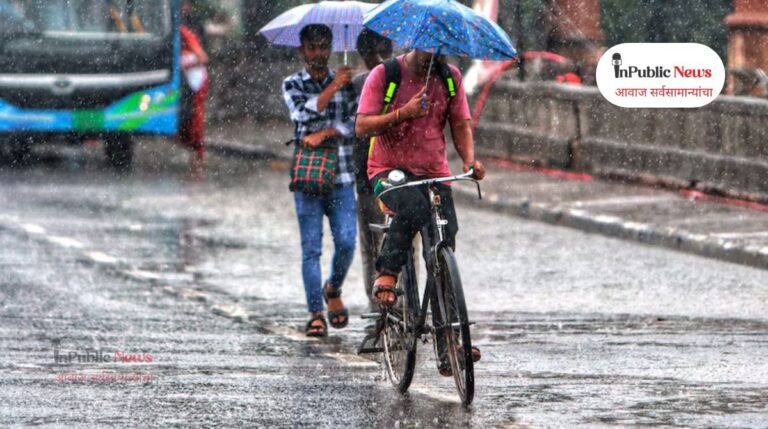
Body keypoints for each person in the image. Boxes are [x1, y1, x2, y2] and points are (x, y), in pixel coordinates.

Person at [355, 49, 485, 374]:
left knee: (442, 246)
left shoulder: (450, 77)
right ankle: (387, 271)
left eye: (440, 48)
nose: (434, 54)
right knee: (413, 207)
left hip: (434, 173)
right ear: (414, 42)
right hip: (389, 171)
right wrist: (403, 113)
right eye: (428, 47)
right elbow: (362, 126)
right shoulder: (386, 75)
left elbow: (460, 124)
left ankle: (449, 345)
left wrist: (469, 161)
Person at [282, 24, 358, 337]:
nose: (318, 53)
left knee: (347, 241)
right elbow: (303, 115)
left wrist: (327, 132)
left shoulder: (347, 83)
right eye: (312, 47)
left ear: (330, 47)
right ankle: (316, 312)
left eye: (323, 46)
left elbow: (355, 123)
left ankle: (333, 287)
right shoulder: (292, 84)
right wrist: (333, 88)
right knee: (311, 248)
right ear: (302, 50)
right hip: (308, 177)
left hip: (342, 175)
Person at [351, 29, 394, 317]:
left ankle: (403, 301)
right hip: (367, 174)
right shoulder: (355, 86)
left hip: (398, 172)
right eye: (374, 54)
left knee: (401, 241)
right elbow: (352, 130)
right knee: (372, 244)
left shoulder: (403, 80)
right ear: (364, 56)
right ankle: (375, 303)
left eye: (384, 53)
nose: (379, 59)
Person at [179, 1, 209, 168]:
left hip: (196, 80)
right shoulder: (177, 30)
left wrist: (185, 65)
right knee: (188, 117)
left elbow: (203, 57)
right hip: (186, 81)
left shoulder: (185, 32)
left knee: (196, 116)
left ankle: (198, 151)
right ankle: (194, 148)